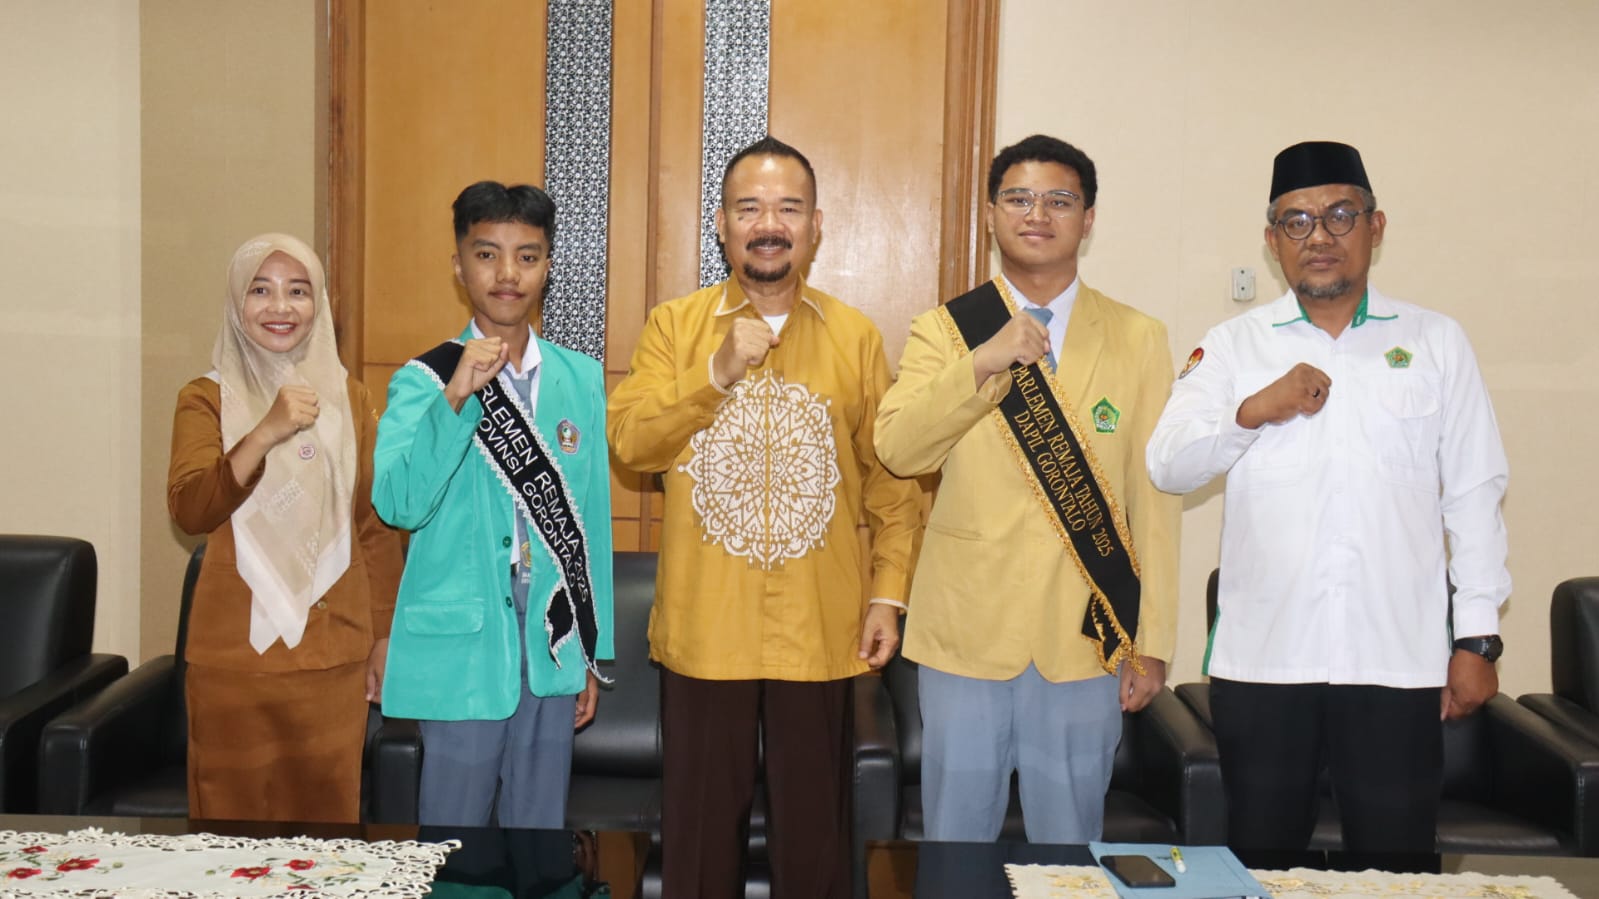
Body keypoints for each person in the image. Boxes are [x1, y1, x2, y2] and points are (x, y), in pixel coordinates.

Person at [1146, 141, 1509, 867]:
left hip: (1397, 661)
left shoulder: (1434, 341)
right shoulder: (1233, 345)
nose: (1319, 235)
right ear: (1272, 239)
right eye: (1297, 220)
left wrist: (1476, 639)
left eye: (1340, 215)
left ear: (1375, 227)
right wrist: (1252, 410)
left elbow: (1475, 492)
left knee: (1398, 870)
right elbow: (1168, 464)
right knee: (1263, 865)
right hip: (1266, 664)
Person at [607, 136, 921, 898]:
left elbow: (890, 485)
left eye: (788, 208)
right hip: (705, 630)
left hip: (819, 629)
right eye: (749, 208)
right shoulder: (675, 327)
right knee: (696, 853)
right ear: (720, 225)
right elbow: (631, 442)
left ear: (816, 225)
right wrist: (714, 373)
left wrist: (887, 594)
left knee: (815, 853)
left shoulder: (853, 336)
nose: (768, 225)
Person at [875, 134, 1180, 843]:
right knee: (956, 845)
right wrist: (983, 361)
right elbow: (898, 449)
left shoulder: (1138, 337)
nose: (1036, 214)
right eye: (1018, 198)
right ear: (990, 215)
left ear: (1088, 219)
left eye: (1059, 200)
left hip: (1086, 638)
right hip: (966, 632)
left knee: (1069, 854)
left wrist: (1152, 638)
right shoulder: (944, 331)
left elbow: (1154, 502)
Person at [373, 181, 614, 828]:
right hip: (463, 637)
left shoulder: (580, 378)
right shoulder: (423, 379)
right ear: (459, 266)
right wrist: (455, 398)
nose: (508, 273)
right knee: (453, 838)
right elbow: (398, 503)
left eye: (527, 256)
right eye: (487, 254)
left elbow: (590, 523)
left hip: (552, 633)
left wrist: (591, 651)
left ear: (547, 266)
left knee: (538, 833)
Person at [167, 232, 403, 822]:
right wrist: (265, 432)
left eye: (298, 291)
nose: (280, 307)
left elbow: (372, 527)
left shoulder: (351, 399)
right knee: (227, 838)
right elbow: (191, 510)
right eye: (261, 290)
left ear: (318, 304)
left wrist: (383, 636)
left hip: (333, 654)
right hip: (233, 659)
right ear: (236, 302)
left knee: (325, 843)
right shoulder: (204, 398)